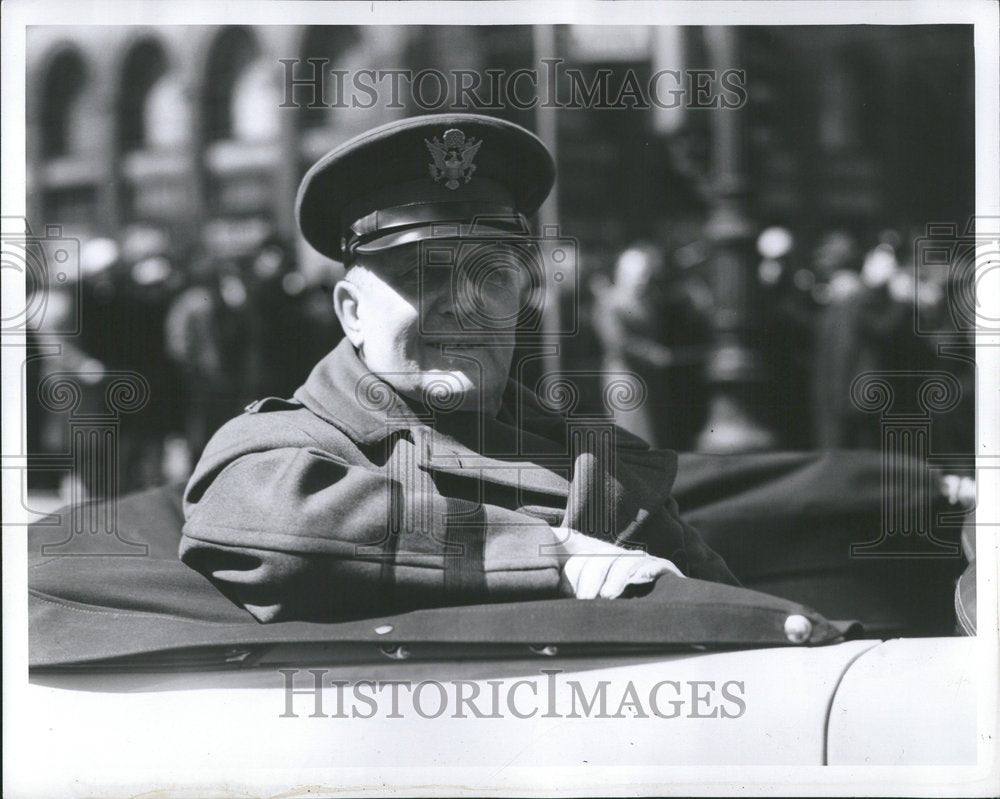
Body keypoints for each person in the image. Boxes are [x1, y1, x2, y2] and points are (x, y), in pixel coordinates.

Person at [180, 115, 737, 623]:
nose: (463, 304)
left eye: (489, 274)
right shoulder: (287, 454)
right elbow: (276, 519)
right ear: (353, 312)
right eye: (423, 275)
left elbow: (738, 620)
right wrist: (556, 556)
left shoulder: (605, 466)